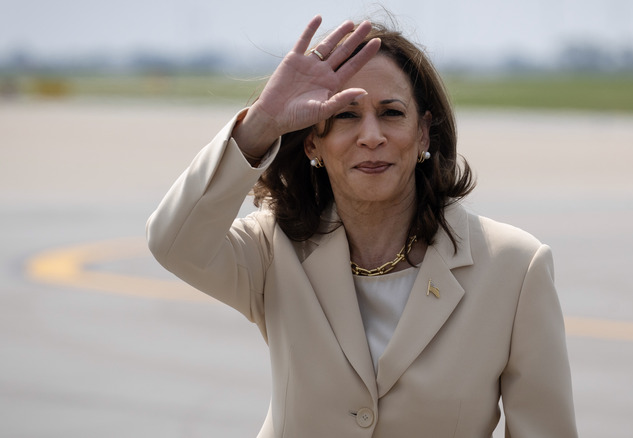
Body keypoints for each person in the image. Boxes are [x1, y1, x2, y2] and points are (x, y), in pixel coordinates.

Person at [147, 14, 577, 437]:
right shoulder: (273, 248)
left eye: (391, 113)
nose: (371, 136)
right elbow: (173, 243)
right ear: (312, 140)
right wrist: (261, 123)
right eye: (346, 116)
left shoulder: (516, 268)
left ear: (424, 133)